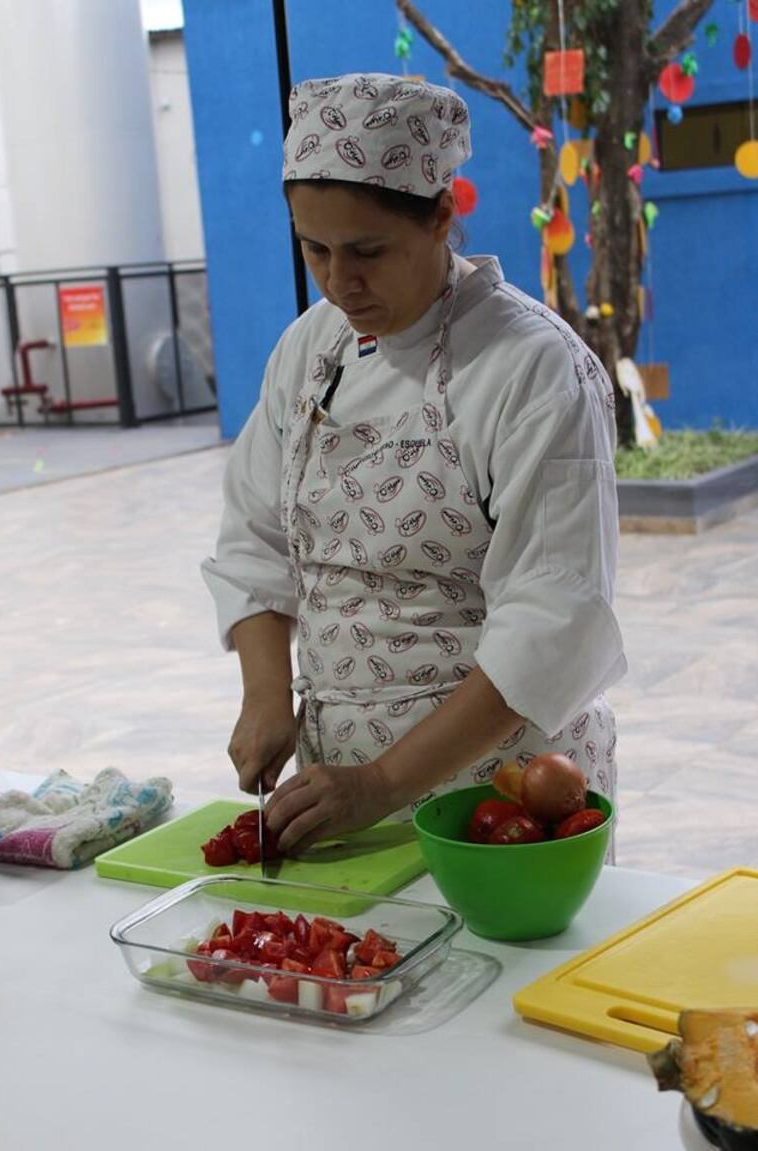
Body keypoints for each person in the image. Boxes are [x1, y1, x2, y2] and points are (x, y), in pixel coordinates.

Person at [202, 72, 626, 856]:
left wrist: (386, 782)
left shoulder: (531, 369)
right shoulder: (310, 349)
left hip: (498, 797)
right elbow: (255, 537)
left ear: (442, 216)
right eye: (315, 249)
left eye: (368, 251)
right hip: (337, 795)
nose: (339, 282)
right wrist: (266, 693)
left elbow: (553, 620)